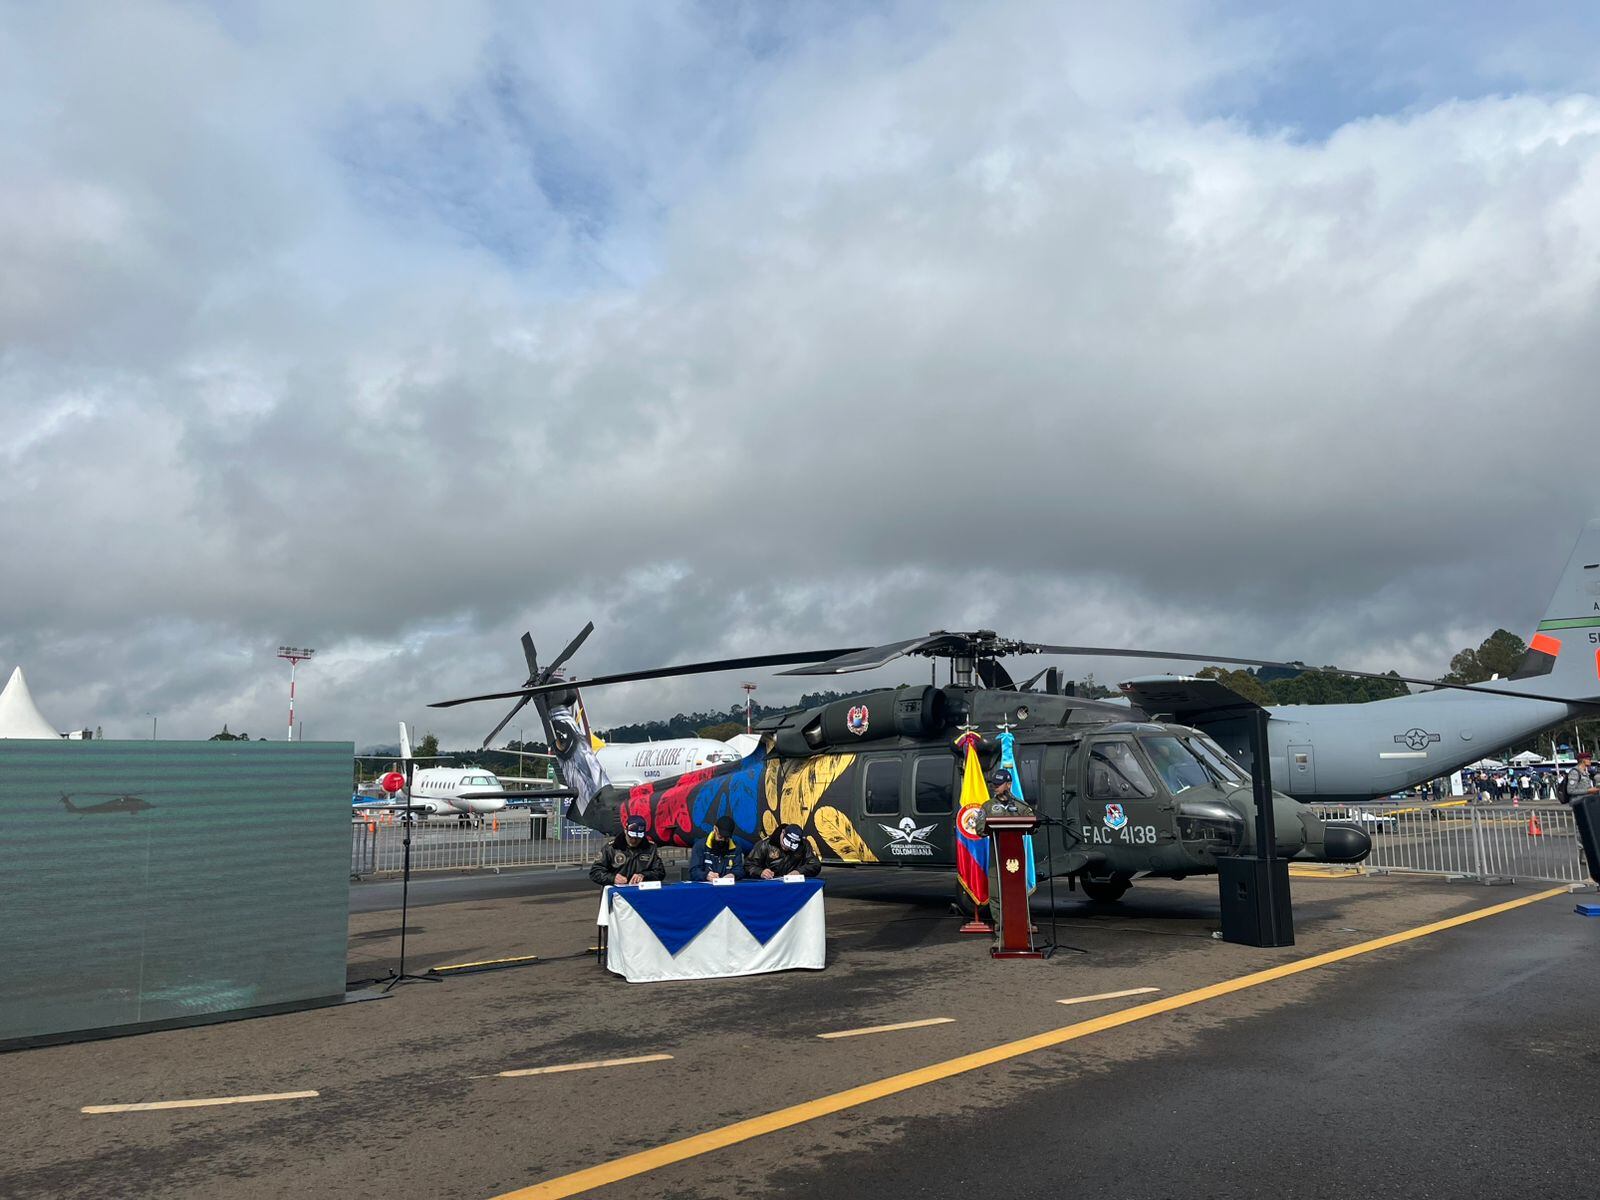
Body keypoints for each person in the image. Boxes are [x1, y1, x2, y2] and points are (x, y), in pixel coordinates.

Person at [973, 767, 1035, 943]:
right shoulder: (988, 806)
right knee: (996, 896)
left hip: (1015, 860)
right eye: (994, 784)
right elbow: (979, 829)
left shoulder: (1021, 805)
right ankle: (1002, 935)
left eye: (999, 784)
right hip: (997, 859)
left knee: (1017, 895)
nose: (995, 787)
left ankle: (1021, 933)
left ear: (1008, 785)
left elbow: (1032, 823)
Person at [588, 814, 666, 886]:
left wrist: (644, 875)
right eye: (631, 837)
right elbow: (595, 872)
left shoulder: (651, 848)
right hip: (616, 894)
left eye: (638, 838)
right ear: (625, 830)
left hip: (641, 892)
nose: (634, 840)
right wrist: (613, 878)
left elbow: (660, 872)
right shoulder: (611, 848)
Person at [745, 823, 821, 879]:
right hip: (769, 884)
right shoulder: (764, 845)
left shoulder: (803, 845)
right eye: (785, 844)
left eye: (791, 848)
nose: (786, 848)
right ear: (783, 832)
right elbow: (748, 865)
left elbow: (815, 864)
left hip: (793, 883)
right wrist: (760, 872)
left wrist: (799, 872)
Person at [690, 815, 745, 882]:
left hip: (728, 887)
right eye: (720, 837)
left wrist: (733, 875)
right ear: (715, 829)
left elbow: (739, 870)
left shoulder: (736, 848)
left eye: (726, 838)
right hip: (706, 888)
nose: (723, 840)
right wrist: (706, 875)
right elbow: (694, 871)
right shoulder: (700, 846)